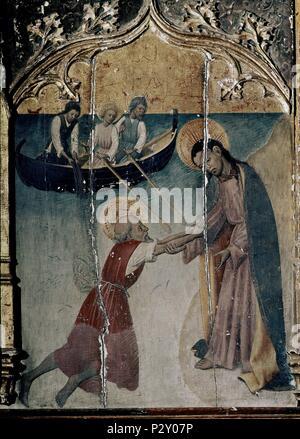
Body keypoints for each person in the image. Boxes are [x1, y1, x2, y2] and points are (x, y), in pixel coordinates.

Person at [18, 212, 200, 408]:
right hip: (112, 303)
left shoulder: (125, 247)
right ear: (129, 234)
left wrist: (192, 233)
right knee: (117, 355)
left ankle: (54, 380)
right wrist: (195, 234)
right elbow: (165, 246)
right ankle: (54, 379)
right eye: (140, 227)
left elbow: (166, 241)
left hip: (99, 299)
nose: (146, 229)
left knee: (86, 351)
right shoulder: (135, 249)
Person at [172, 137, 294, 394]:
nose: (207, 168)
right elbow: (217, 219)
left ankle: (260, 361)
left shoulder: (245, 177)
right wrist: (189, 239)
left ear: (217, 151)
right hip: (235, 252)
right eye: (201, 166)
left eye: (206, 160)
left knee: (252, 306)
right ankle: (222, 355)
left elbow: (256, 220)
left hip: (253, 254)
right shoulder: (221, 184)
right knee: (228, 301)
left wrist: (236, 248)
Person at [82, 103, 119, 168]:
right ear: (104, 114)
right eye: (109, 115)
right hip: (99, 153)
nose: (111, 118)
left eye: (113, 116)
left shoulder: (113, 129)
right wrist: (89, 144)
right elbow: (95, 140)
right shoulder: (98, 127)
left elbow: (115, 144)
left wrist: (107, 155)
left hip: (108, 154)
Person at [115, 96, 147, 163]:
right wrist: (119, 131)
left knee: (127, 161)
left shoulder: (141, 124)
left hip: (134, 150)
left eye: (143, 110)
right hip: (122, 148)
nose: (141, 111)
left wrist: (134, 149)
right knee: (116, 159)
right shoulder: (123, 119)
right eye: (140, 108)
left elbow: (142, 138)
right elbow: (114, 131)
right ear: (133, 108)